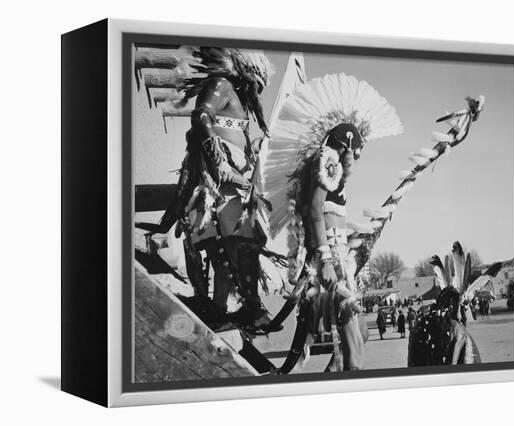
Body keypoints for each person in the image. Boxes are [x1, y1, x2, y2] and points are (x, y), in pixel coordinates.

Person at [263, 73, 403, 371]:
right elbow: (314, 212)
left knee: (361, 334)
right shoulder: (326, 160)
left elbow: (326, 215)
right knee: (353, 341)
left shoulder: (330, 165)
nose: (356, 157)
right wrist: (326, 260)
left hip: (339, 260)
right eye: (354, 151)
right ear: (345, 145)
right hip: (328, 263)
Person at [141, 47, 277, 332]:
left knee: (243, 245)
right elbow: (201, 115)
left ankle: (240, 309)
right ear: (245, 70)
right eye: (258, 81)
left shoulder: (240, 100)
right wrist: (219, 161)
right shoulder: (222, 84)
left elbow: (230, 131)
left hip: (236, 181)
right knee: (222, 248)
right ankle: (220, 308)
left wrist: (251, 153)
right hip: (215, 182)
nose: (259, 90)